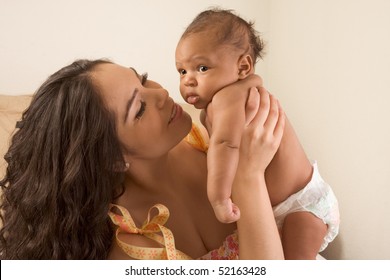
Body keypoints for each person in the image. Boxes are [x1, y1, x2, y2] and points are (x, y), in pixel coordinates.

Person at [0, 58, 286, 259]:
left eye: (144, 79)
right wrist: (249, 177)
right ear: (112, 157)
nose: (161, 94)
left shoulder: (209, 141)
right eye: (138, 109)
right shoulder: (130, 242)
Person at [175, 8, 340, 259]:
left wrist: (219, 199)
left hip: (303, 204)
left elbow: (226, 145)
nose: (188, 80)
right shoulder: (221, 103)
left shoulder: (229, 97)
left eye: (202, 67)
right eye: (182, 71)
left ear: (243, 67)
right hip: (275, 208)